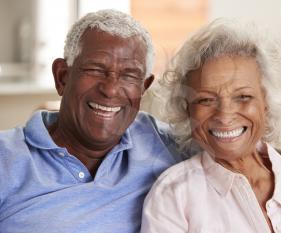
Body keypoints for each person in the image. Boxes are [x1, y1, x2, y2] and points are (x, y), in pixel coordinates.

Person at [141, 18, 281, 233]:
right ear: (187, 109)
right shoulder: (174, 197)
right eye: (206, 99)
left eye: (243, 97)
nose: (225, 115)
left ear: (267, 103)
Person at [0, 9, 184, 233]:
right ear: (62, 77)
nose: (110, 89)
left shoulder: (168, 145)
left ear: (143, 88)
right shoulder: (5, 158)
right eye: (95, 69)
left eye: (129, 75)